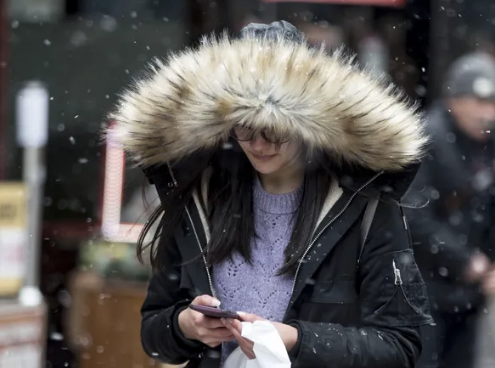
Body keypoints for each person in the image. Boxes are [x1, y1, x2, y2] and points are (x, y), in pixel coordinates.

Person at [109, 20, 433, 368]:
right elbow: (153, 336)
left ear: (307, 123)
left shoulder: (363, 204)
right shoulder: (199, 197)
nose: (258, 144)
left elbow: (400, 347)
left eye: (274, 129)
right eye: (244, 127)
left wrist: (295, 339)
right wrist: (185, 326)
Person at [404, 51, 495, 368]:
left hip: (469, 293)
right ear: (454, 100)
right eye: (479, 102)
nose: (487, 113)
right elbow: (414, 215)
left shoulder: (489, 142)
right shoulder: (427, 137)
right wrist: (466, 261)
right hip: (424, 287)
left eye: (492, 103)